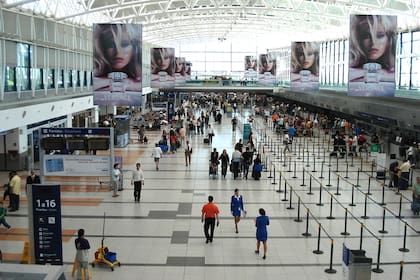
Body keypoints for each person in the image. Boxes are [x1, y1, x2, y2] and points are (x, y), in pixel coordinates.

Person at [93, 24, 142, 92]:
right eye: (110, 45)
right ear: (102, 48)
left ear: (135, 48)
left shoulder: (141, 75)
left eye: (125, 44)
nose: (118, 52)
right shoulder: (95, 72)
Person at [349, 15, 397, 83]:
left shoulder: (395, 70)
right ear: (358, 40)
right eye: (366, 36)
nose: (373, 43)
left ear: (389, 39)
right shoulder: (351, 69)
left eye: (380, 35)